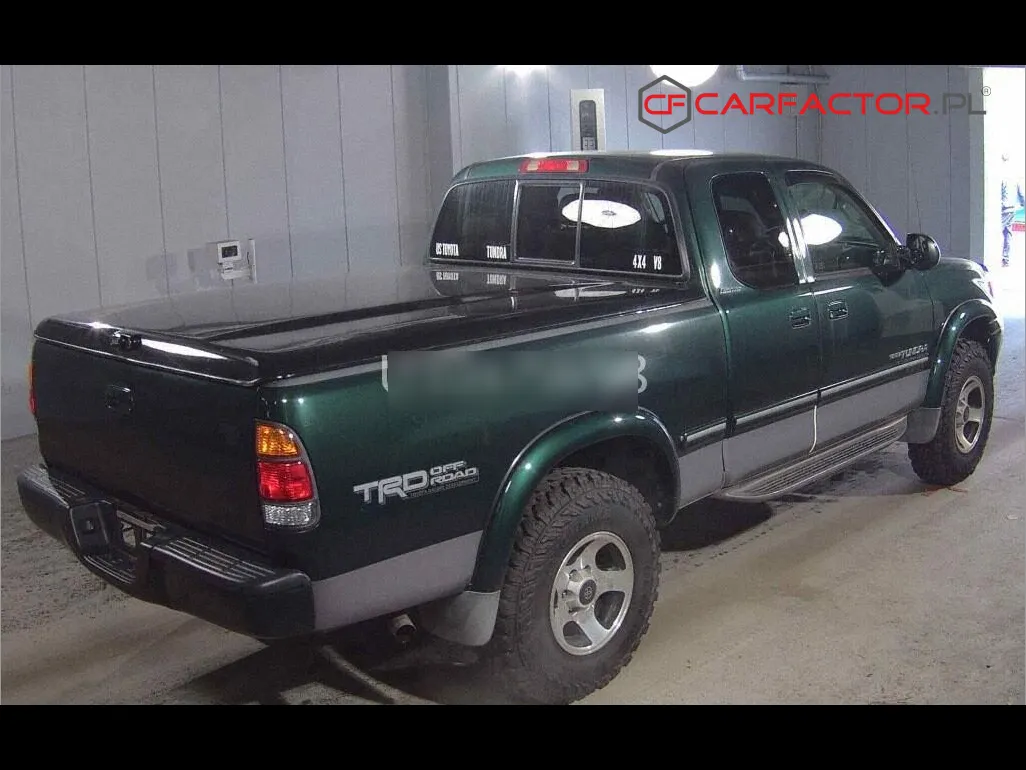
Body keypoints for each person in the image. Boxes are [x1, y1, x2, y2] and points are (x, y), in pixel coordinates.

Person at [1000, 153, 1025, 268]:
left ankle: (994, 256)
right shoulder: (1014, 175)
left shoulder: (1000, 174)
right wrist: (1023, 204)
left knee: (997, 232)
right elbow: (1021, 194)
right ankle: (1006, 259)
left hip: (1003, 209)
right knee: (1008, 233)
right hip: (1012, 209)